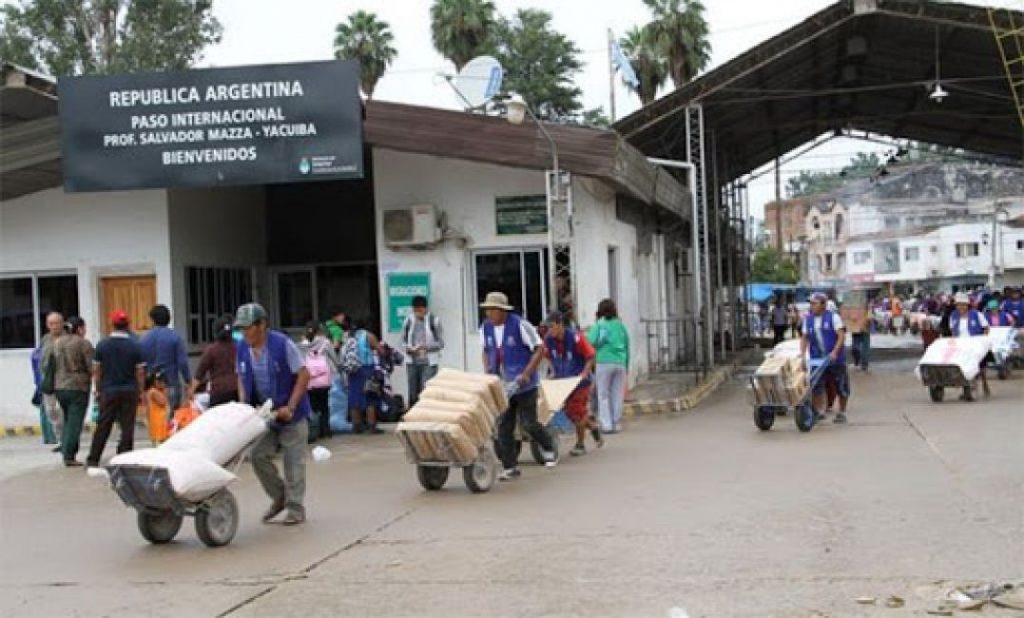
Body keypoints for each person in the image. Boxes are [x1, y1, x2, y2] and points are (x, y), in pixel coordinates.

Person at [234, 303, 312, 526]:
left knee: (293, 461)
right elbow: (241, 376)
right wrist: (243, 406)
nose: (245, 333)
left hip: (290, 412)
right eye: (241, 328)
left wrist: (291, 406)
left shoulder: (282, 344)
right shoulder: (241, 347)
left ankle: (296, 508)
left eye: (248, 327)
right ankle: (280, 497)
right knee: (258, 455)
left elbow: (304, 375)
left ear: (262, 325)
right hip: (266, 413)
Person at [480, 291, 556, 480]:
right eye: (487, 310)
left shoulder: (520, 325)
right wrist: (488, 369)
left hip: (524, 384)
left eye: (492, 310)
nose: (488, 314)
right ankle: (510, 467)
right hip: (502, 384)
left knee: (529, 423)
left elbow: (539, 349)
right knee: (504, 426)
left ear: (502, 311)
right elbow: (485, 350)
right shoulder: (486, 328)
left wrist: (526, 373)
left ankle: (548, 446)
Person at [87, 311, 146, 469]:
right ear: (128, 324)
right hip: (129, 390)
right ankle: (124, 458)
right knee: (127, 425)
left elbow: (97, 371)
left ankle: (93, 458)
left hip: (109, 390)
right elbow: (140, 372)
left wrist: (98, 389)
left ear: (112, 324)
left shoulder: (102, 345)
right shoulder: (135, 345)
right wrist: (141, 392)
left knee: (103, 425)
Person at [544, 311, 602, 456]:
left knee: (576, 410)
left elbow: (591, 355)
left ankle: (580, 444)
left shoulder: (575, 338)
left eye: (552, 327)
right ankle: (593, 427)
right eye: (548, 328)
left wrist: (584, 372)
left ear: (560, 325)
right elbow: (547, 356)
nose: (550, 331)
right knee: (570, 412)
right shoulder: (549, 340)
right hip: (563, 382)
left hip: (580, 382)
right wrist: (552, 372)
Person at [800, 292, 850, 424]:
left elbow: (841, 336)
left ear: (823, 305)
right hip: (817, 358)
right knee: (816, 385)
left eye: (814, 303)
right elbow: (804, 338)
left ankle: (842, 412)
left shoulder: (833, 318)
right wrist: (802, 355)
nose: (812, 306)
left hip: (835, 358)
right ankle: (818, 412)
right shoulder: (808, 320)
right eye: (810, 303)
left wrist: (834, 352)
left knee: (841, 385)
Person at [53, 316, 94, 467]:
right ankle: (69, 454)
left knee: (67, 419)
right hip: (78, 387)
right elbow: (91, 366)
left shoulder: (57, 343)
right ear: (79, 328)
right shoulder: (83, 344)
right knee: (75, 422)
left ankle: (67, 449)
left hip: (60, 386)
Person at [588, 298, 631, 434]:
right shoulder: (620, 325)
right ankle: (616, 422)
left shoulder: (599, 325)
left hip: (604, 362)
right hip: (620, 362)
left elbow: (590, 342)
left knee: (603, 394)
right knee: (617, 394)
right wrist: (627, 364)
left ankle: (606, 425)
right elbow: (627, 345)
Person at [139, 304, 191, 412]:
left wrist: (141, 388)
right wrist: (188, 381)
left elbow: (140, 366)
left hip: (151, 387)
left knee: (154, 421)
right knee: (172, 422)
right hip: (171, 384)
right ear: (168, 319)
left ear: (152, 319)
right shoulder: (175, 337)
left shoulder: (143, 339)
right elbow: (182, 363)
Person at [400, 295, 444, 409]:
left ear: (425, 308)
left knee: (426, 389)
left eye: (420, 310)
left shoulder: (434, 321)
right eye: (415, 310)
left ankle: (426, 413)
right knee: (413, 390)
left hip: (428, 362)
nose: (418, 313)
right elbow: (403, 341)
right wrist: (409, 348)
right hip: (412, 360)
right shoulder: (409, 321)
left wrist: (427, 347)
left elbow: (440, 343)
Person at [342, 319, 385, 434]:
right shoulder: (368, 335)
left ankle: (356, 425)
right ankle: (371, 425)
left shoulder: (347, 336)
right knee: (370, 396)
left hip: (353, 369)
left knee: (354, 396)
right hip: (366, 369)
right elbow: (381, 351)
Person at [300, 321, 339, 441]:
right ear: (319, 330)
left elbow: (300, 362)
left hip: (309, 380)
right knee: (324, 406)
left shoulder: (303, 344)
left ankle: (314, 431)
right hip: (323, 380)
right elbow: (334, 358)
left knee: (312, 406)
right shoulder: (325, 342)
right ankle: (325, 430)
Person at [949, 292, 990, 401]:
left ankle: (982, 383)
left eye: (963, 304)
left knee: (978, 367)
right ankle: (966, 389)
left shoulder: (976, 314)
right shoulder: (953, 316)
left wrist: (983, 341)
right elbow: (953, 331)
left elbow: (986, 328)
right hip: (961, 344)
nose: (961, 307)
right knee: (962, 367)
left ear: (967, 304)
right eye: (958, 305)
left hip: (975, 344)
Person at [192, 316, 239, 407]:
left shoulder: (211, 350)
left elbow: (199, 375)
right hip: (237, 392)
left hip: (219, 393)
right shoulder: (238, 348)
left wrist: (190, 393)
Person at [39, 312, 65, 450]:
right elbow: (41, 359)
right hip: (49, 381)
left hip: (64, 380)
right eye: (51, 323)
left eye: (57, 323)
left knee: (63, 410)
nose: (54, 326)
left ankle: (66, 439)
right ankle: (60, 437)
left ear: (62, 323)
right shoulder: (45, 339)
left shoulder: (68, 338)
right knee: (51, 410)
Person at [29, 342, 57, 446]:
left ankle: (47, 437)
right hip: (48, 385)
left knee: (43, 412)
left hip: (40, 386)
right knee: (50, 411)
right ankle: (52, 437)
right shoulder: (46, 354)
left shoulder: (35, 354)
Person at [145, 370, 170, 446]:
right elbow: (163, 401)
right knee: (160, 442)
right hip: (158, 422)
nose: (161, 383)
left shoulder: (156, 391)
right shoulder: (153, 392)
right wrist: (166, 392)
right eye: (158, 381)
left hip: (160, 421)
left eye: (162, 381)